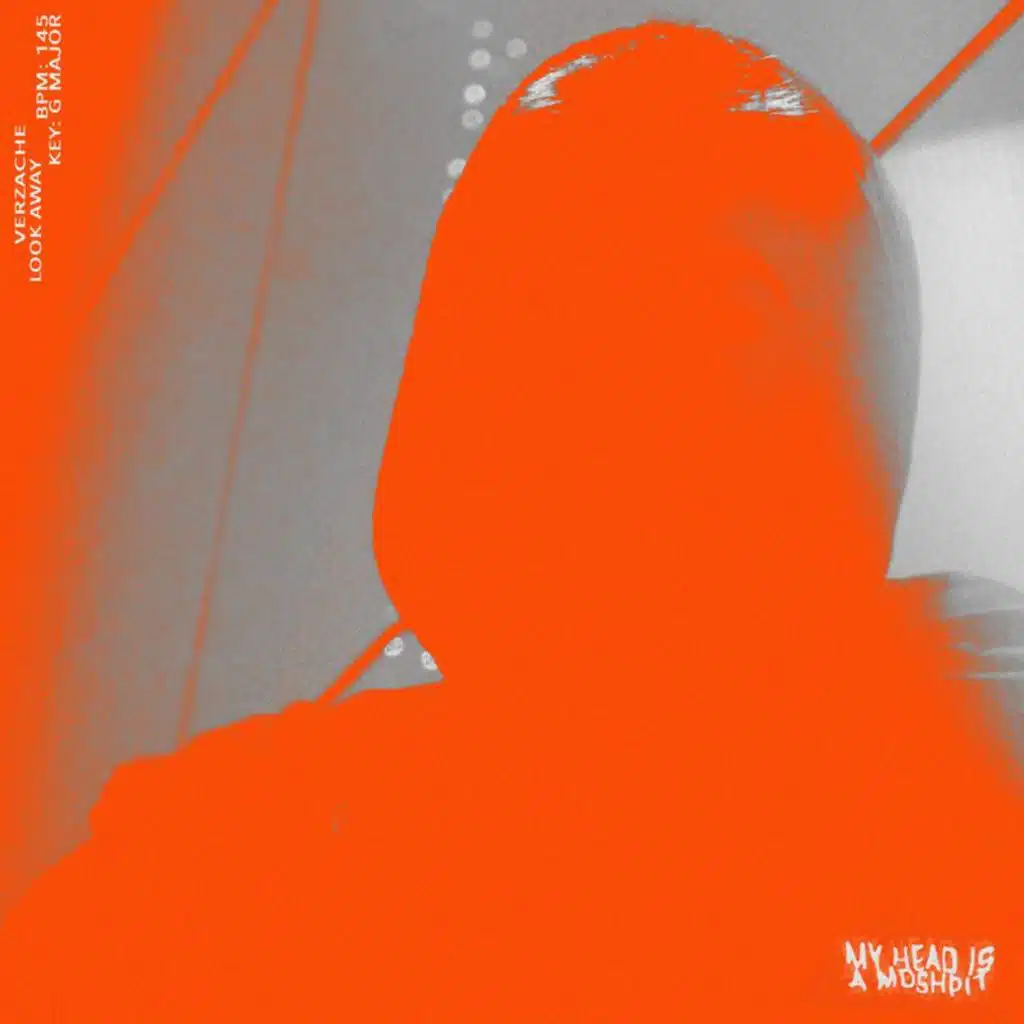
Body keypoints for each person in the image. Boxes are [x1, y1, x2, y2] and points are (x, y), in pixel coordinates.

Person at [0, 20, 1019, 1021]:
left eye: (705, 306)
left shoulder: (948, 757)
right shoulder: (219, 850)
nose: (581, 368)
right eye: (526, 290)